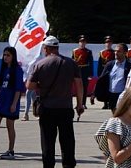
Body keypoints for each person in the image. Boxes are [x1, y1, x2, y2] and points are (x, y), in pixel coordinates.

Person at [27, 36, 86, 168]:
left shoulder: (40, 64)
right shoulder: (71, 63)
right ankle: (68, 165)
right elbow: (79, 85)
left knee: (47, 142)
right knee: (67, 141)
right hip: (65, 109)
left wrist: (41, 85)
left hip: (47, 109)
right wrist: (80, 104)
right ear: (57, 48)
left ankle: (48, 165)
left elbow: (29, 86)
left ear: (46, 48)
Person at [0, 46, 25, 159]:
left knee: (10, 126)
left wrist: (14, 104)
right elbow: (0, 85)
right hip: (1, 101)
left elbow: (18, 89)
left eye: (8, 55)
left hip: (11, 102)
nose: (5, 57)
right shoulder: (3, 69)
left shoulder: (18, 70)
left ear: (13, 56)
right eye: (4, 55)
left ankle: (11, 150)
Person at [97, 43, 131, 112]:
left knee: (122, 115)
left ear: (125, 53)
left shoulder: (130, 67)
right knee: (115, 116)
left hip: (123, 96)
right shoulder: (110, 64)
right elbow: (101, 79)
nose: (116, 53)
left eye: (119, 51)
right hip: (111, 95)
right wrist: (94, 93)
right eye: (115, 51)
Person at [71, 36, 93, 104]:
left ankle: (83, 103)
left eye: (83, 42)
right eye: (81, 42)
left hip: (85, 70)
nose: (82, 43)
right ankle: (78, 103)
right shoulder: (75, 51)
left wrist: (90, 73)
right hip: (77, 70)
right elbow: (72, 62)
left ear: (85, 43)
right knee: (77, 87)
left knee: (84, 87)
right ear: (79, 43)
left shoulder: (88, 51)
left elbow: (90, 63)